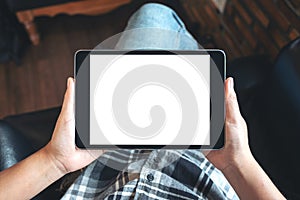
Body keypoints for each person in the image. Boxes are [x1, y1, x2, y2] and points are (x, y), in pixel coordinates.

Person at [0, 3, 285, 200]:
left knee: (152, 18)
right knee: (156, 18)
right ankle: (194, 64)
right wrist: (237, 164)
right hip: (198, 160)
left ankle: (191, 68)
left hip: (106, 168)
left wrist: (56, 162)